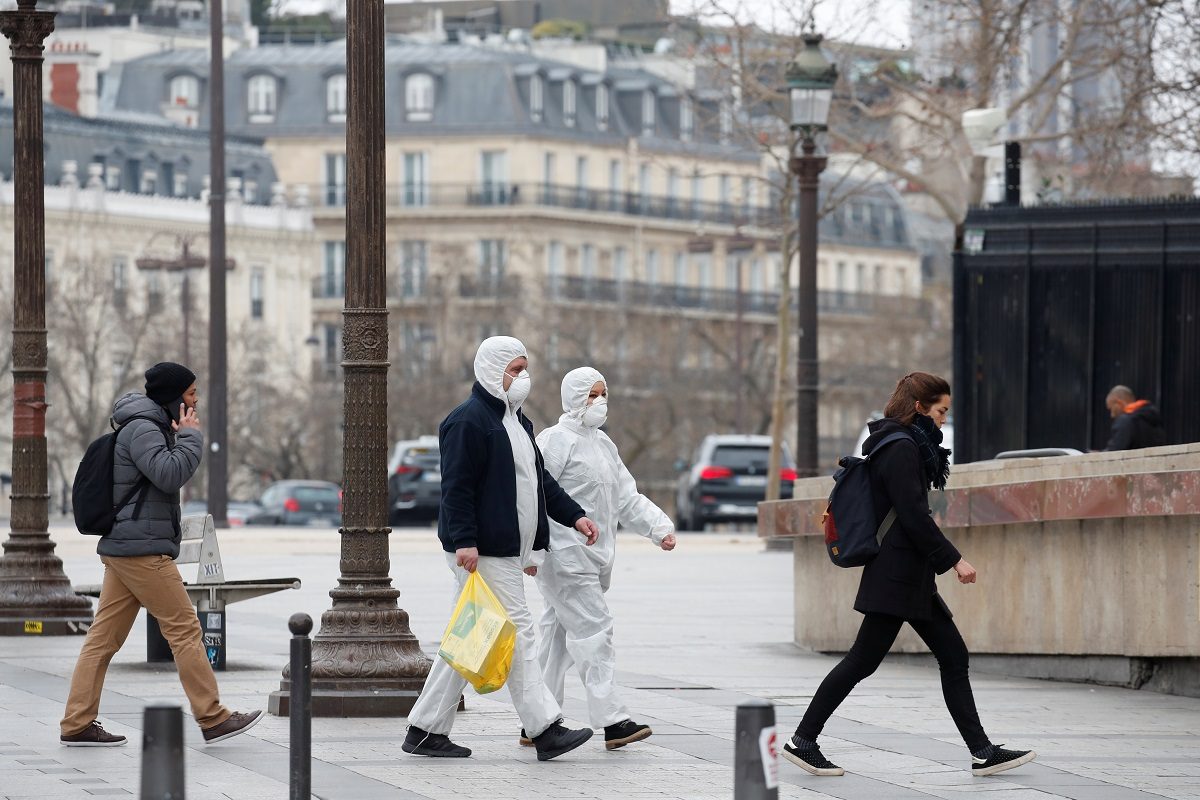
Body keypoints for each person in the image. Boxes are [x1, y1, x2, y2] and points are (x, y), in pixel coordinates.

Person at [781, 372, 1035, 778]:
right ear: (919, 407)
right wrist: (954, 559)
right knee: (863, 661)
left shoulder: (902, 444)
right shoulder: (901, 448)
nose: (943, 420)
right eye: (940, 411)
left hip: (909, 575)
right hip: (897, 575)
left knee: (952, 656)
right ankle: (802, 740)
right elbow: (914, 515)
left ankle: (983, 752)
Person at [403, 336, 601, 761]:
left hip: (503, 549)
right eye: (515, 369)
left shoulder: (518, 422)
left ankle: (424, 731)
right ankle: (545, 728)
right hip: (483, 551)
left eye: (525, 368)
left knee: (471, 637)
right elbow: (457, 487)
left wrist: (574, 516)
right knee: (520, 631)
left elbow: (539, 482)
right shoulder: (468, 421)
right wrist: (465, 541)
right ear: (493, 371)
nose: (523, 377)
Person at [61, 362, 262, 747]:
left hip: (129, 547)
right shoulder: (143, 428)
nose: (196, 401)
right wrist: (191, 438)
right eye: (191, 394)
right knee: (185, 629)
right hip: (143, 550)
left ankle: (76, 722)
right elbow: (168, 474)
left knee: (103, 639)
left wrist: (178, 436)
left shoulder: (149, 426)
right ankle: (213, 717)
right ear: (173, 398)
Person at [529, 367, 676, 751]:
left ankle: (536, 719)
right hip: (564, 557)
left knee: (557, 638)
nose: (599, 402)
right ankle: (613, 721)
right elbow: (533, 496)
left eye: (603, 394)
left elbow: (626, 496)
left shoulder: (604, 445)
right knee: (595, 631)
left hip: (593, 558)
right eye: (591, 395)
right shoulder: (555, 441)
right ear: (574, 398)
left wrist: (658, 527)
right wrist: (531, 550)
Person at [1103, 385, 1167, 451]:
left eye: (1111, 409)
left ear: (1119, 403)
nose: (1112, 415)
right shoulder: (1153, 419)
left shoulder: (1125, 421)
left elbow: (1115, 450)